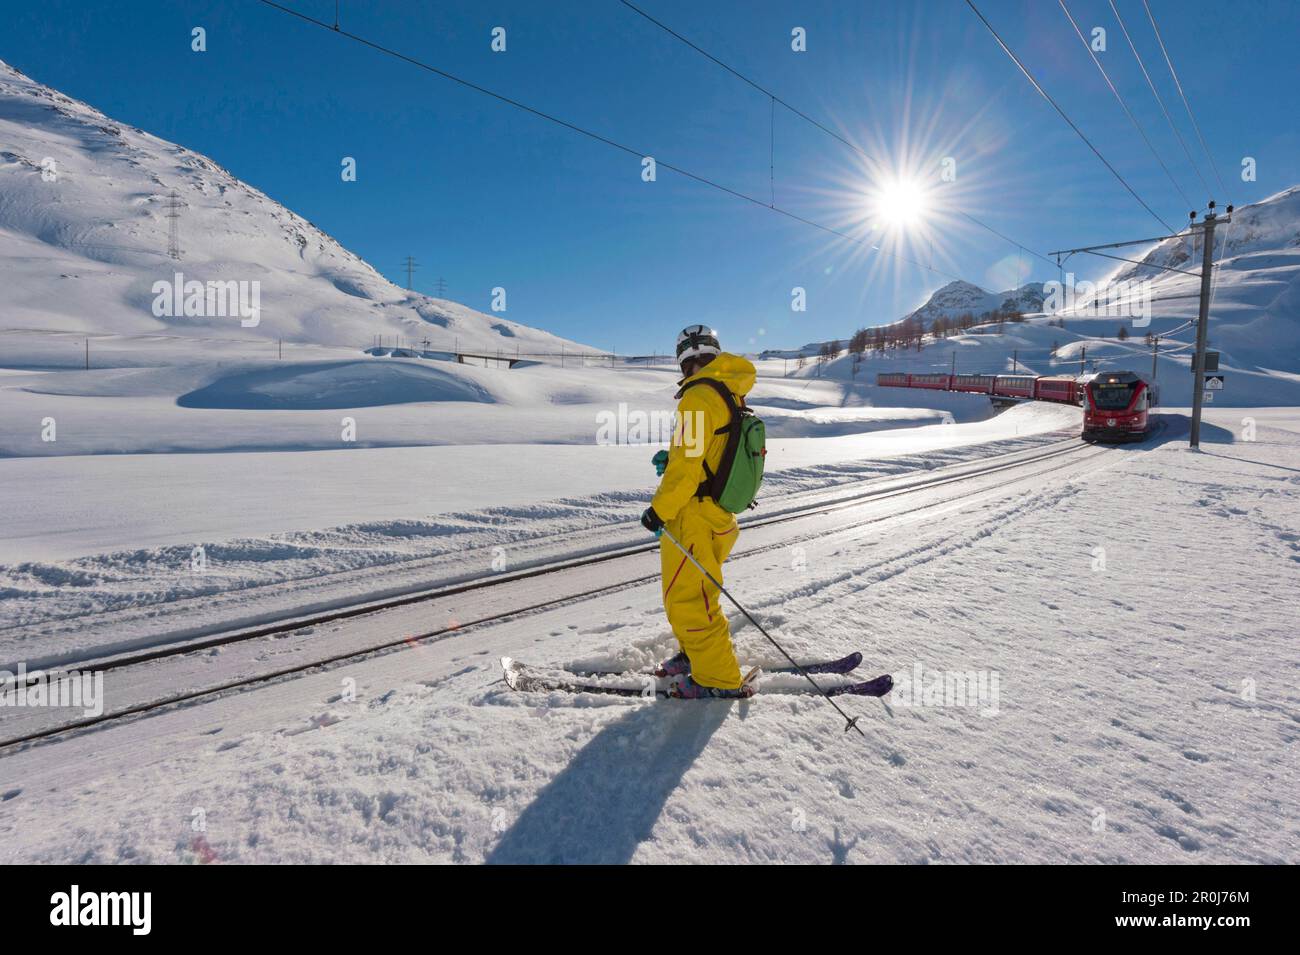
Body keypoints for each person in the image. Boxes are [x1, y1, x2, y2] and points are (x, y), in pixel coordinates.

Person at [640, 325, 756, 699]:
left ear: (682, 360)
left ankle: (718, 678)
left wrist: (659, 510)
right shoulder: (727, 391)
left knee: (688, 600)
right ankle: (696, 655)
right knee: (699, 594)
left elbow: (688, 469)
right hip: (717, 514)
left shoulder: (696, 398)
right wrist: (673, 456)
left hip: (693, 516)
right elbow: (708, 451)